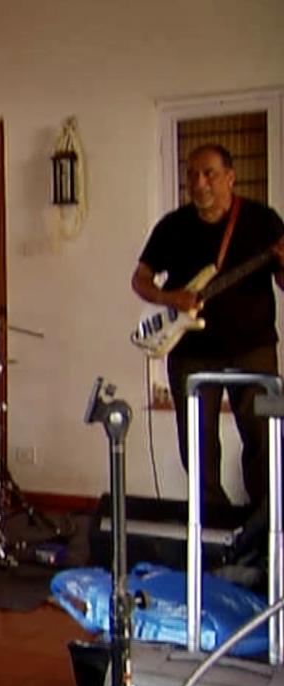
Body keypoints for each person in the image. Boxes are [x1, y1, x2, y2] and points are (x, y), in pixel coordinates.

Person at [132, 143, 284, 509]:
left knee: (263, 437)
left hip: (254, 347)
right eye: (192, 174)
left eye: (209, 173)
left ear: (230, 178)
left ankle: (263, 524)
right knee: (197, 444)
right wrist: (173, 298)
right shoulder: (172, 226)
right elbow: (140, 279)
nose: (199, 182)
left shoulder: (263, 221)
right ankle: (212, 524)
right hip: (192, 353)